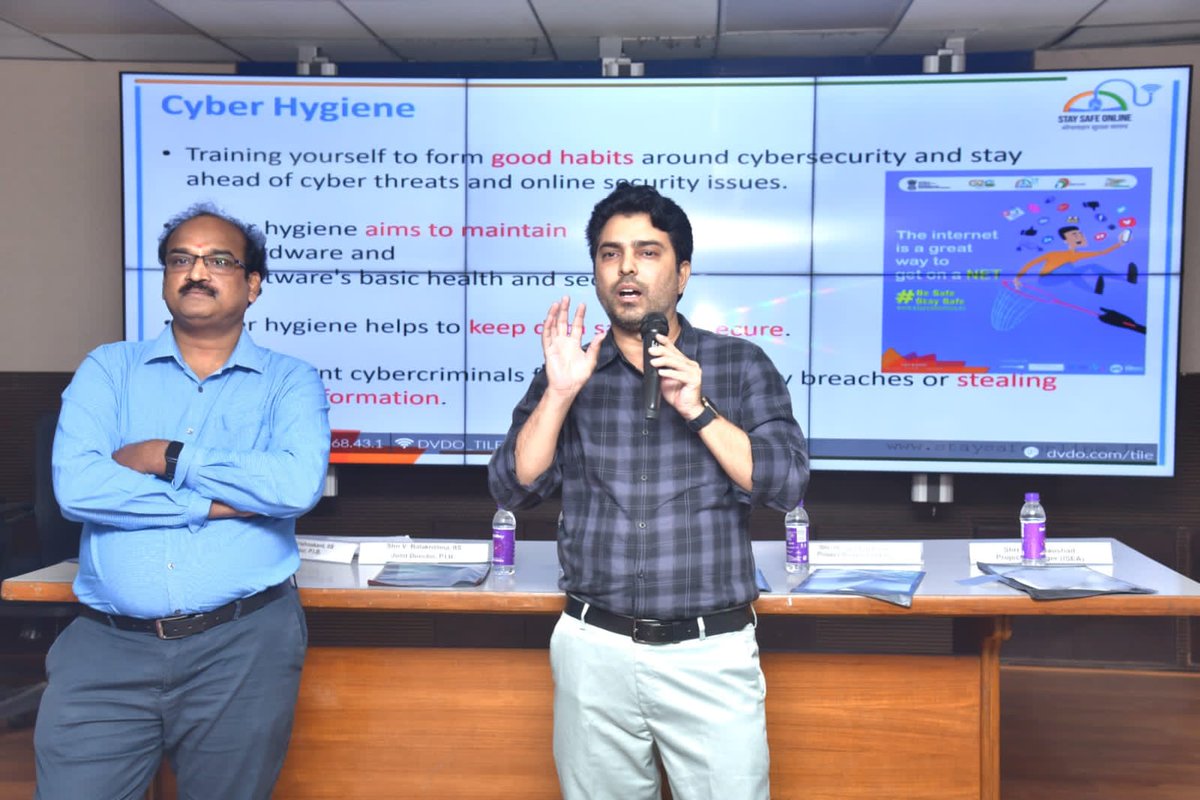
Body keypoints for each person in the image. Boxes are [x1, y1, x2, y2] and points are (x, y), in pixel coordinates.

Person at [488, 182, 808, 800]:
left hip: (707, 653)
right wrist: (558, 394)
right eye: (610, 254)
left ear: (682, 273)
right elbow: (512, 486)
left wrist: (700, 408)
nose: (627, 268)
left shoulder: (739, 366)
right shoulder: (569, 372)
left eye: (647, 252)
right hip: (593, 649)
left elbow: (785, 483)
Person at [34, 204, 331, 800]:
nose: (197, 271)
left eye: (218, 259)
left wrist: (169, 456)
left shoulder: (289, 381)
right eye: (181, 260)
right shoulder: (108, 369)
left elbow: (294, 486)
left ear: (252, 284)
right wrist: (215, 503)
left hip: (242, 647)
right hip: (106, 648)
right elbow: (80, 487)